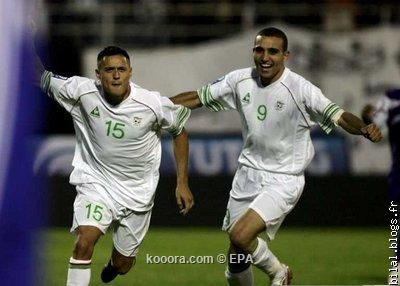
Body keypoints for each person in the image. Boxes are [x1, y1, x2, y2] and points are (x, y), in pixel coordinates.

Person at [171, 27, 382, 286]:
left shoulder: (301, 89)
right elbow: (197, 97)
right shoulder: (240, 80)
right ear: (253, 52)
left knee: (240, 236)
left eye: (273, 51)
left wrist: (362, 128)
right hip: (246, 175)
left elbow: (339, 115)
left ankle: (278, 271)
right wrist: (155, 106)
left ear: (286, 56)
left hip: (282, 179)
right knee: (237, 258)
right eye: (260, 50)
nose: (265, 56)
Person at [36, 45, 194, 285]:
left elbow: (179, 132)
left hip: (137, 194)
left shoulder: (151, 104)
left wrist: (182, 182)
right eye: (109, 70)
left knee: (123, 264)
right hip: (96, 184)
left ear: (131, 72)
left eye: (122, 69)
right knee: (84, 242)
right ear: (98, 74)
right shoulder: (81, 91)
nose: (116, 75)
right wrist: (23, 38)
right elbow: (38, 76)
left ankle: (114, 265)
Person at [362, 90, 400, 284]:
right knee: (397, 222)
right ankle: (397, 266)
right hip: (399, 174)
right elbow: (376, 128)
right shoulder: (392, 98)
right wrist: (368, 118)